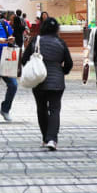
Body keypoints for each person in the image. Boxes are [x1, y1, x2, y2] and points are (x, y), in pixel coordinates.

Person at [22, 17, 73, 151]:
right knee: (55, 110)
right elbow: (69, 63)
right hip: (57, 82)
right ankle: (52, 139)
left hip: (39, 80)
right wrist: (62, 71)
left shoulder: (36, 41)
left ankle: (45, 138)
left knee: (41, 108)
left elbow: (24, 59)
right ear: (57, 29)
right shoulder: (60, 42)